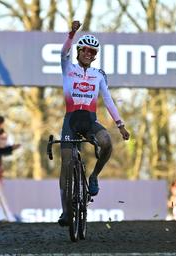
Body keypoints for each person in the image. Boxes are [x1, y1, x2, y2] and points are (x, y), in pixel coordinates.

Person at [58, 20, 130, 226]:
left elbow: (107, 99)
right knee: (66, 165)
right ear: (79, 51)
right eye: (86, 50)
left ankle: (94, 176)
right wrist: (71, 34)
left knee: (107, 142)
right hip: (71, 121)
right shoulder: (68, 69)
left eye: (93, 52)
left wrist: (120, 124)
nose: (89, 54)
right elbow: (63, 52)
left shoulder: (98, 75)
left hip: (90, 121)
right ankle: (65, 212)